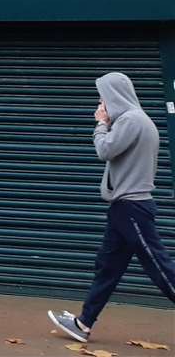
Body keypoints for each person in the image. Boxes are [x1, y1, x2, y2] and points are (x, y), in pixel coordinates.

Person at [47, 72, 175, 343]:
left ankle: (84, 322)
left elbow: (104, 150)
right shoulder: (137, 119)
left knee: (160, 267)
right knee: (108, 267)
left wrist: (101, 124)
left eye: (103, 96)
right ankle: (83, 323)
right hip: (124, 208)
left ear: (114, 95)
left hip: (133, 207)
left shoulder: (130, 120)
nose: (101, 102)